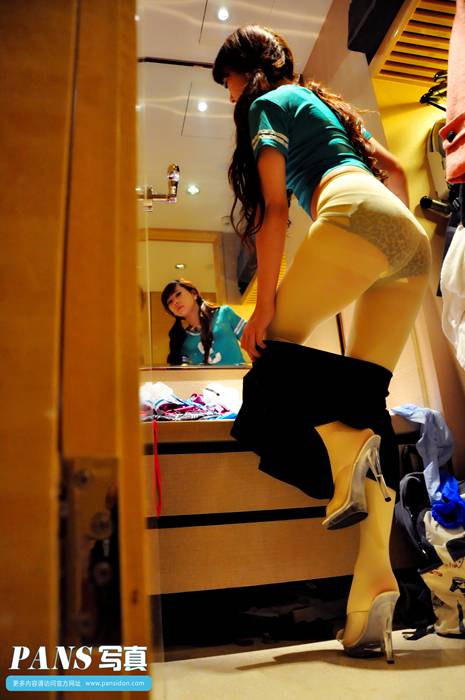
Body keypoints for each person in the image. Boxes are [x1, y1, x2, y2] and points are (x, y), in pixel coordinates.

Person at [213, 25, 431, 662]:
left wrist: (264, 305)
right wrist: (387, 242)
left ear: (246, 71)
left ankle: (342, 446)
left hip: (354, 216)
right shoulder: (326, 106)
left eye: (227, 81)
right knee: (363, 404)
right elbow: (395, 170)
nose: (229, 94)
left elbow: (275, 211)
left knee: (267, 357)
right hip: (408, 241)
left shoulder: (265, 103)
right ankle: (371, 589)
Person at [161, 279, 247, 365]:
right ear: (172, 312)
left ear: (194, 294)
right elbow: (184, 372)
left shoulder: (224, 313)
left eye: (178, 294)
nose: (175, 302)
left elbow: (253, 342)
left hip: (240, 373)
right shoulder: (182, 340)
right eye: (170, 302)